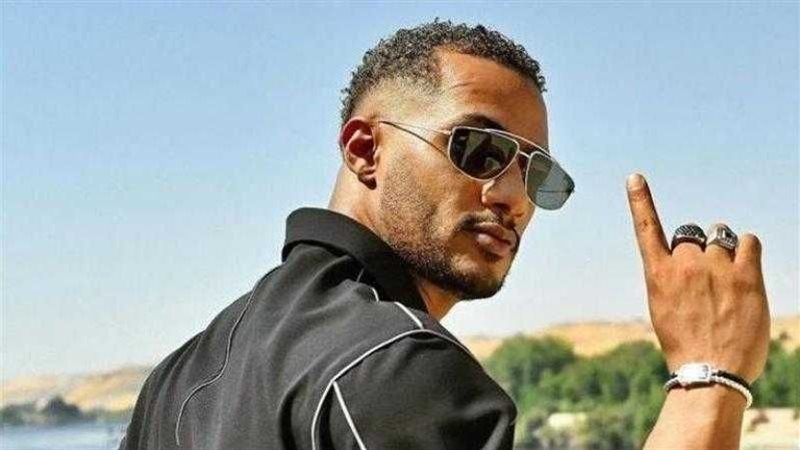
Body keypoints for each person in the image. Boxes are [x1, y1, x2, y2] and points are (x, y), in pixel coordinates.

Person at [119, 20, 770, 449]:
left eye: (536, 173)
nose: (514, 197)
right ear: (365, 150)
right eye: (480, 149)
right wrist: (708, 378)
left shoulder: (175, 381)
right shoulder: (390, 362)